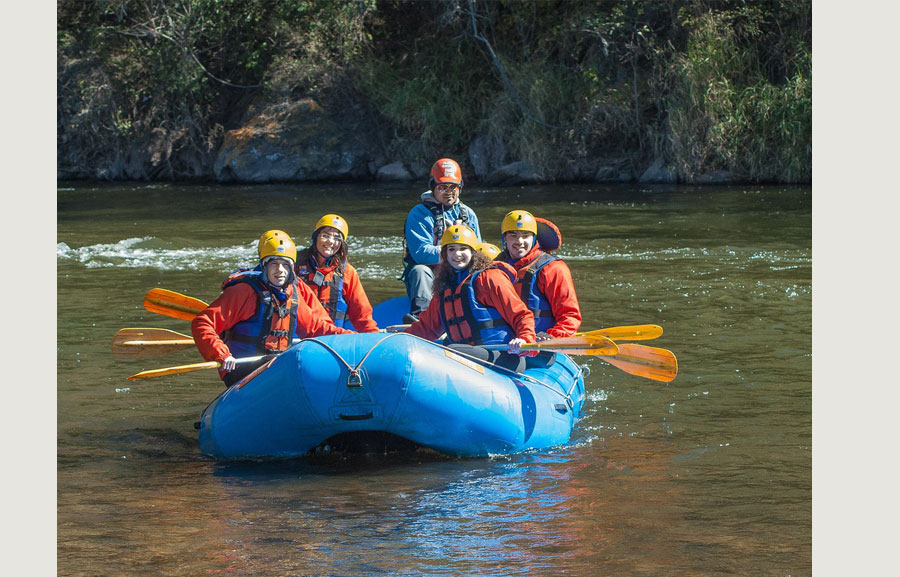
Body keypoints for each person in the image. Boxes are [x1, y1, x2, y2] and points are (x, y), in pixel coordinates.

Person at [192, 229, 355, 387]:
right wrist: (220, 354)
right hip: (242, 371)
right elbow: (202, 323)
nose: (280, 271)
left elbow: (317, 329)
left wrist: (354, 337)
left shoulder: (293, 293)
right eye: (274, 264)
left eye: (285, 265)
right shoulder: (244, 292)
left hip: (275, 366)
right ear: (264, 266)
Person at [404, 224, 536, 372]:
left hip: (503, 357)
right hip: (465, 356)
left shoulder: (489, 278)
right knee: (444, 347)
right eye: (451, 249)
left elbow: (521, 314)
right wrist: (399, 340)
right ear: (445, 254)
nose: (457, 254)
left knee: (449, 350)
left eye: (463, 249)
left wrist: (525, 338)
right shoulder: (445, 287)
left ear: (473, 252)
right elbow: (426, 328)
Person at [400, 158, 481, 322]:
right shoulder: (419, 214)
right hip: (431, 275)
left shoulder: (468, 214)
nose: (449, 192)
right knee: (419, 270)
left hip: (461, 271)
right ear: (433, 187)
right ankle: (421, 317)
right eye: (443, 187)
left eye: (453, 187)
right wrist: (451, 247)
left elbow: (478, 251)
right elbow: (421, 254)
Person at [498, 210, 582, 340]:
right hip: (505, 343)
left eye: (526, 235)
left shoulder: (553, 268)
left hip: (540, 343)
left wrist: (551, 337)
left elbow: (569, 315)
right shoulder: (495, 268)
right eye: (513, 235)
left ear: (534, 239)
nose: (519, 241)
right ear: (505, 238)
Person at [295, 214, 379, 332]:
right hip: (297, 338)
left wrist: (373, 336)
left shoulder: (348, 273)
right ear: (316, 237)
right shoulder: (294, 266)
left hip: (332, 339)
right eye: (325, 235)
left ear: (341, 244)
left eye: (337, 238)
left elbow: (362, 314)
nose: (330, 241)